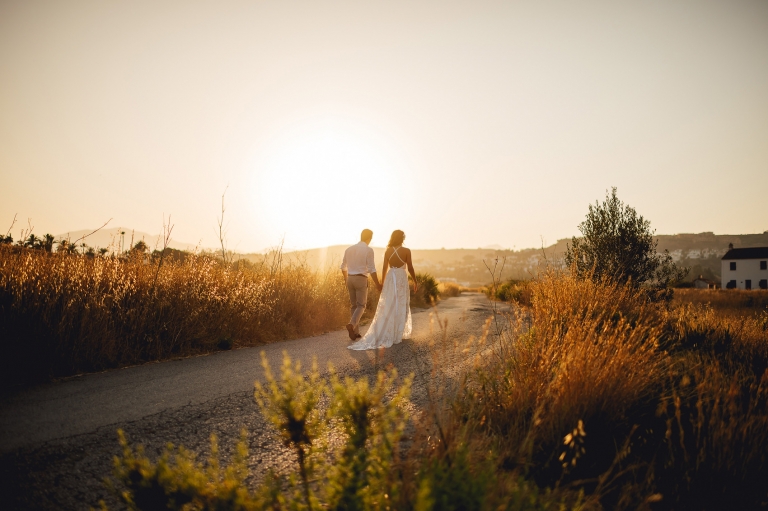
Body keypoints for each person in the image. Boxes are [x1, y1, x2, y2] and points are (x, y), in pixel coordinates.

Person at [348, 229, 418, 351]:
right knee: (401, 303)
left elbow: (384, 268)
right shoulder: (406, 251)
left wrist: (382, 283)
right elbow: (410, 267)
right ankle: (397, 332)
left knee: (389, 304)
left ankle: (388, 330)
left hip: (391, 277)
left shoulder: (388, 251)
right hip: (401, 277)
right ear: (402, 238)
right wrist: (415, 281)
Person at [340, 229, 382, 341]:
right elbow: (372, 269)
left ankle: (355, 332)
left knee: (354, 306)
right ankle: (352, 325)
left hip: (350, 278)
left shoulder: (349, 249)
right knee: (361, 306)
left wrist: (346, 279)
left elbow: (343, 267)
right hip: (361, 279)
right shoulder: (369, 250)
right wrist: (377, 284)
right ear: (369, 238)